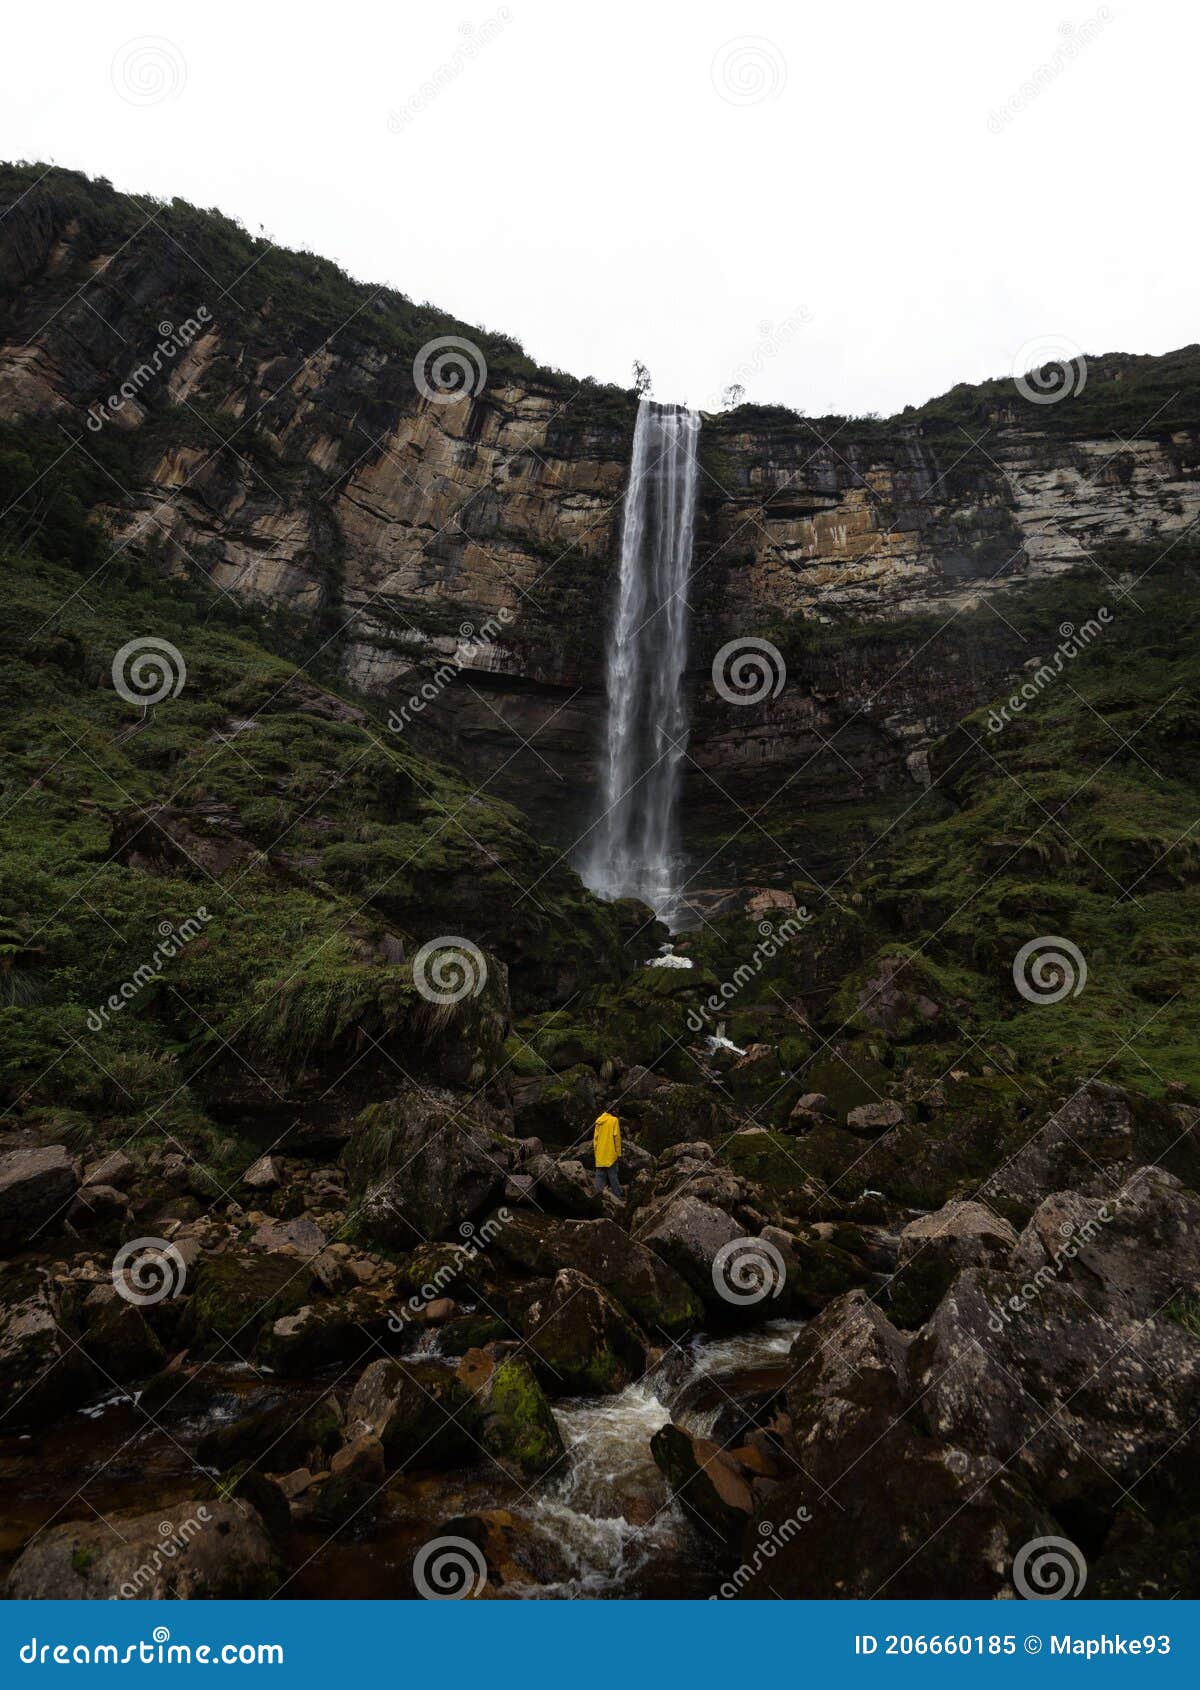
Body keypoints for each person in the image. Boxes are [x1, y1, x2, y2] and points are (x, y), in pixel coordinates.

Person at [592, 1107, 623, 1200]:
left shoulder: (599, 1121)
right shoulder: (614, 1120)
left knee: (600, 1176)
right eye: (617, 1110)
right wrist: (618, 1153)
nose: (618, 1112)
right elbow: (616, 1138)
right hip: (611, 1153)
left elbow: (595, 1139)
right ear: (613, 1110)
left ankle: (597, 1196)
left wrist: (596, 1153)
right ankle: (618, 1195)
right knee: (613, 1175)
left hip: (600, 1153)